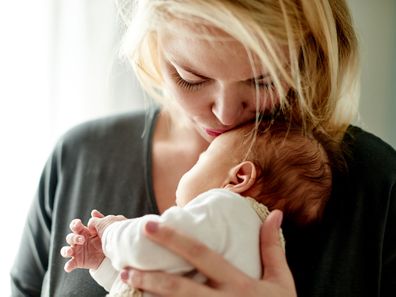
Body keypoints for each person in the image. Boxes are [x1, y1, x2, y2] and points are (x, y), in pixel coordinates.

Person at [10, 0, 396, 297]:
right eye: (190, 78)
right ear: (152, 46)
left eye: (262, 81)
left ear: (308, 59)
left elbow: (146, 246)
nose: (225, 113)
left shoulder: (378, 186)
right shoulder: (79, 156)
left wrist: (113, 232)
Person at [60, 121, 331, 297]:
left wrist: (111, 232)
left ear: (238, 178)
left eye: (205, 156)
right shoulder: (253, 244)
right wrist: (104, 263)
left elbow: (146, 246)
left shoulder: (226, 208)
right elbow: (148, 284)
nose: (195, 161)